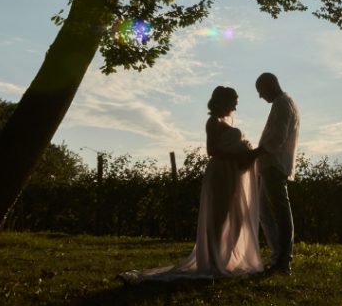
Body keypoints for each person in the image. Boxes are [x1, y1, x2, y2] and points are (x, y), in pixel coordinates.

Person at [120, 86, 263, 281]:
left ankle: (226, 258)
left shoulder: (224, 122)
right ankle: (214, 262)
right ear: (223, 101)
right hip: (221, 172)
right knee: (219, 216)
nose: (235, 108)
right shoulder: (213, 122)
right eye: (233, 104)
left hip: (233, 172)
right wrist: (239, 154)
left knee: (237, 216)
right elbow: (212, 150)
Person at [253, 72, 300, 275]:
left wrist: (255, 152)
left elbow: (277, 137)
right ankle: (277, 256)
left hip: (274, 164)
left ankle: (283, 259)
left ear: (270, 85)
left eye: (261, 91)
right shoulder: (282, 103)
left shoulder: (282, 104)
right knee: (264, 211)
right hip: (269, 165)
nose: (261, 96)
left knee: (280, 212)